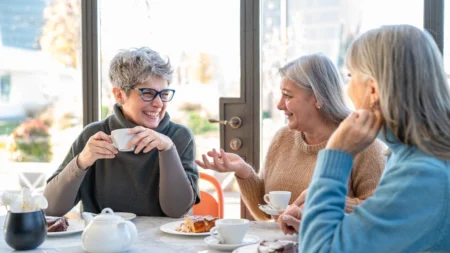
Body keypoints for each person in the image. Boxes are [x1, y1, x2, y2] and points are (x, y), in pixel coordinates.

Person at [299, 25, 450, 253]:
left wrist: (336, 154)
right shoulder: (408, 155)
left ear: (372, 90)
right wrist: (321, 218)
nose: (347, 89)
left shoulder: (423, 174)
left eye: (350, 76)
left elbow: (320, 250)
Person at [196, 53, 386, 222]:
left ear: (318, 98)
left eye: (287, 96)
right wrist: (243, 171)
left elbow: (379, 214)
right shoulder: (283, 138)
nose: (279, 105)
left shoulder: (364, 145)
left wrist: (325, 201)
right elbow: (265, 213)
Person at [44, 47, 200, 217]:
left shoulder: (179, 137)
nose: (158, 103)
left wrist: (168, 149)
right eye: (147, 93)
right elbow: (51, 208)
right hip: (103, 240)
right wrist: (82, 161)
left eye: (163, 94)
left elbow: (177, 211)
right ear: (119, 95)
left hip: (161, 242)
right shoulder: (95, 135)